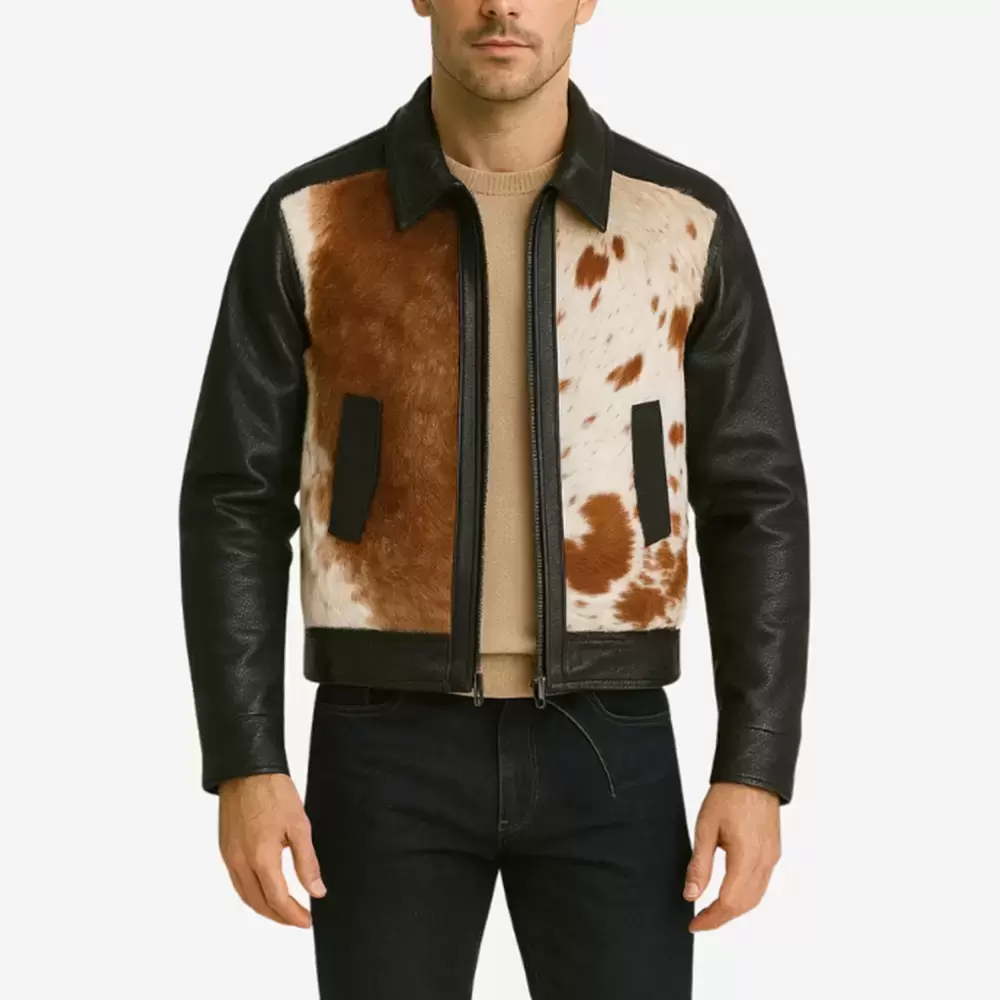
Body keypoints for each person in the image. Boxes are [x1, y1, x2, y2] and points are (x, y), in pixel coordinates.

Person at [178, 1, 810, 996]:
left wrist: (756, 763)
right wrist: (244, 761)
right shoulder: (313, 217)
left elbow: (756, 499)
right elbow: (232, 497)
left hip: (612, 737)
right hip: (381, 741)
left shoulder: (680, 221)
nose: (503, 5)